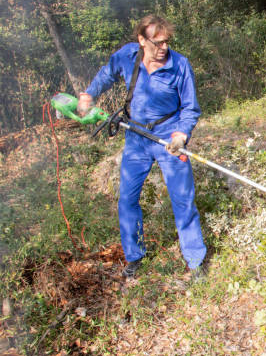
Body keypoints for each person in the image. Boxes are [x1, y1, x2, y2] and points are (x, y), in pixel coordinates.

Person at [78, 15, 207, 280]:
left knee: (183, 200)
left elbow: (190, 108)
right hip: (135, 137)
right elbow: (107, 73)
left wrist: (181, 136)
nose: (164, 48)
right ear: (141, 40)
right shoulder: (128, 56)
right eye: (157, 43)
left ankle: (195, 261)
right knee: (127, 199)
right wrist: (89, 94)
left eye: (167, 42)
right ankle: (135, 256)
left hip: (168, 136)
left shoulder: (179, 65)